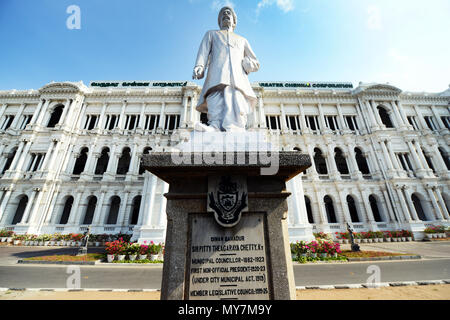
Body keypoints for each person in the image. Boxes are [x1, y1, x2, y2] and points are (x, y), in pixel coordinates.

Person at [192, 6, 260, 132]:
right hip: (217, 72)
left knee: (236, 98)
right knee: (215, 97)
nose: (226, 14)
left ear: (234, 21)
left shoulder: (242, 40)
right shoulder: (212, 34)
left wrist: (248, 64)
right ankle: (215, 125)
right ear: (219, 21)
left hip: (237, 76)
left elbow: (255, 61)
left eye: (229, 13)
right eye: (223, 13)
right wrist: (199, 66)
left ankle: (237, 127)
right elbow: (203, 52)